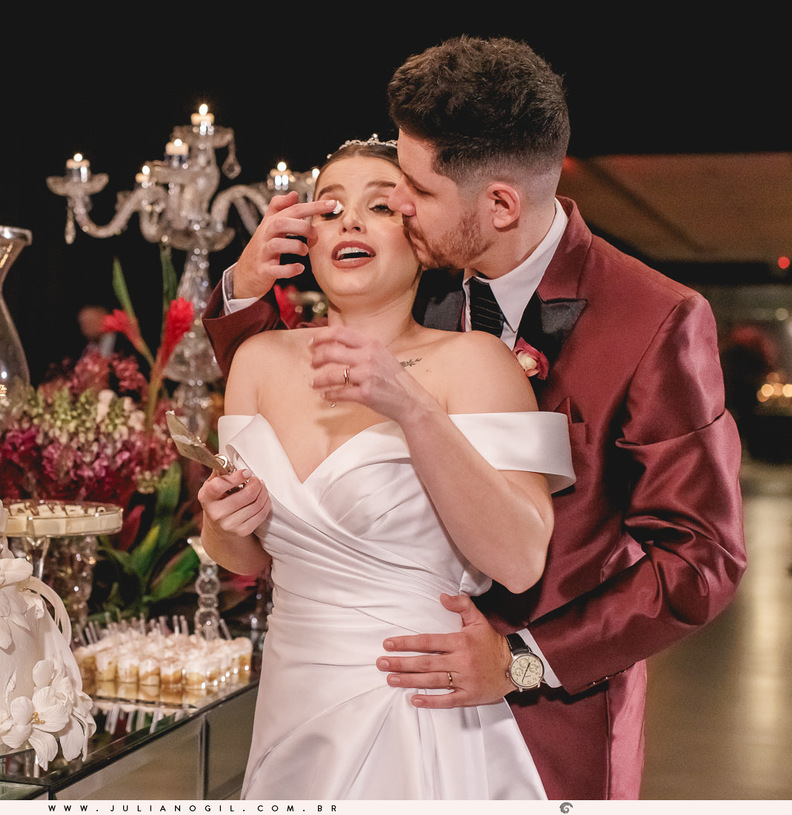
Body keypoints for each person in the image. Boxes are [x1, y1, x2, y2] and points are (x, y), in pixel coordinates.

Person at [202, 36, 746, 800]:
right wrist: (242, 288)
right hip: (339, 686)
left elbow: (701, 562)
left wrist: (526, 658)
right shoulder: (426, 273)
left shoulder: (656, 320)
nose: (397, 210)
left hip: (554, 716)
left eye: (411, 194)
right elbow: (303, 391)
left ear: (497, 204)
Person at [199, 138, 575, 799]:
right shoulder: (257, 362)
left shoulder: (477, 361)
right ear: (304, 244)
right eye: (330, 208)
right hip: (292, 700)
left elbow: (520, 560)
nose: (349, 221)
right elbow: (246, 559)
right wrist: (222, 516)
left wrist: (411, 408)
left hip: (416, 705)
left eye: (378, 205)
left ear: (422, 241)